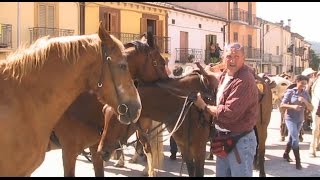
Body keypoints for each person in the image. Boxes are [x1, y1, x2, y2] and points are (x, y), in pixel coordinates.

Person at [193, 42, 259, 177]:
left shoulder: (244, 79)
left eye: (237, 56)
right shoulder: (225, 75)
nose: (232, 60)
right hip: (223, 139)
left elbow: (229, 113)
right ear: (223, 58)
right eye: (229, 56)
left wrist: (204, 106)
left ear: (243, 58)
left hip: (241, 142)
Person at [280, 75, 313, 170]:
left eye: (305, 84)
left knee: (291, 138)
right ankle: (298, 162)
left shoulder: (305, 94)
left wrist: (305, 102)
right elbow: (282, 105)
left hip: (300, 120)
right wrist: (293, 107)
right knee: (295, 138)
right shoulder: (290, 92)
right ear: (297, 82)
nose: (303, 85)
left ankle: (286, 154)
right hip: (290, 119)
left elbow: (311, 108)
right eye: (302, 83)